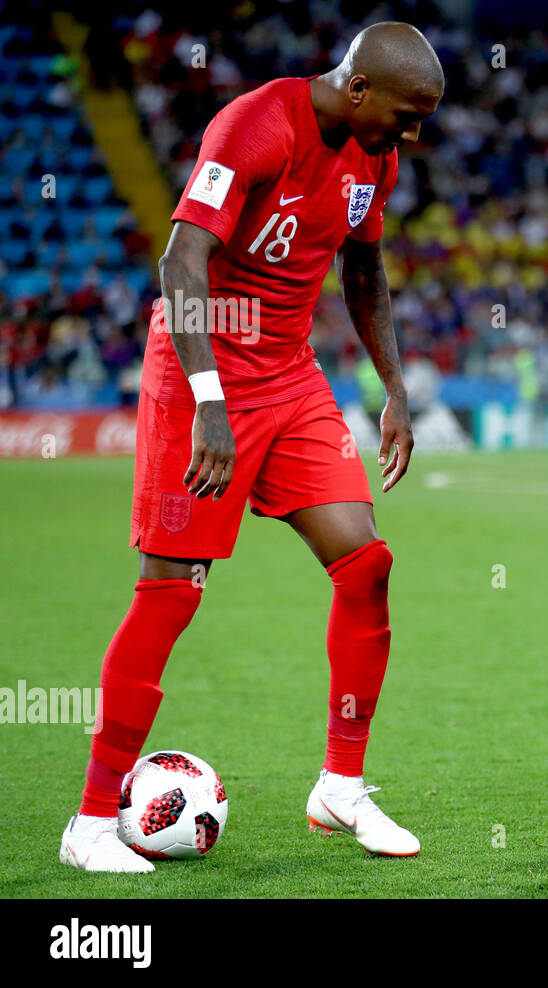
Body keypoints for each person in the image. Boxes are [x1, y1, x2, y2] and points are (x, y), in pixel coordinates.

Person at [59, 23, 444, 872]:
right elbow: (181, 262)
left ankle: (339, 786)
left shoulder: (371, 157)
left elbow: (365, 272)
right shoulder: (255, 125)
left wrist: (396, 394)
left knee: (366, 565)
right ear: (358, 89)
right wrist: (207, 404)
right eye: (407, 115)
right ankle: (89, 824)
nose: (413, 136)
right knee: (171, 595)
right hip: (197, 370)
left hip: (289, 373)